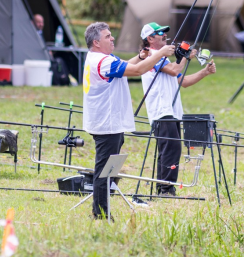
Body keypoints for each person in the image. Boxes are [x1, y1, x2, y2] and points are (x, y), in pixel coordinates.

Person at [82, 21, 174, 219]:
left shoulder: (98, 57)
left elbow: (127, 65)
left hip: (106, 122)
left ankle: (102, 209)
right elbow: (138, 71)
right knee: (104, 171)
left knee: (108, 168)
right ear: (97, 42)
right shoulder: (103, 61)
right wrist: (159, 53)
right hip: (106, 124)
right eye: (108, 36)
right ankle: (99, 214)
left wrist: (141, 56)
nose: (112, 38)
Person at [139, 22, 216, 196]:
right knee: (171, 149)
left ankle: (163, 187)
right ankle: (166, 190)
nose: (164, 35)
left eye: (165, 32)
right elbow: (174, 71)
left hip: (172, 111)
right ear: (149, 39)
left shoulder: (163, 58)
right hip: (161, 111)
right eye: (159, 33)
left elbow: (183, 81)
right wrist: (184, 58)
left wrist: (205, 72)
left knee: (169, 149)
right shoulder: (150, 55)